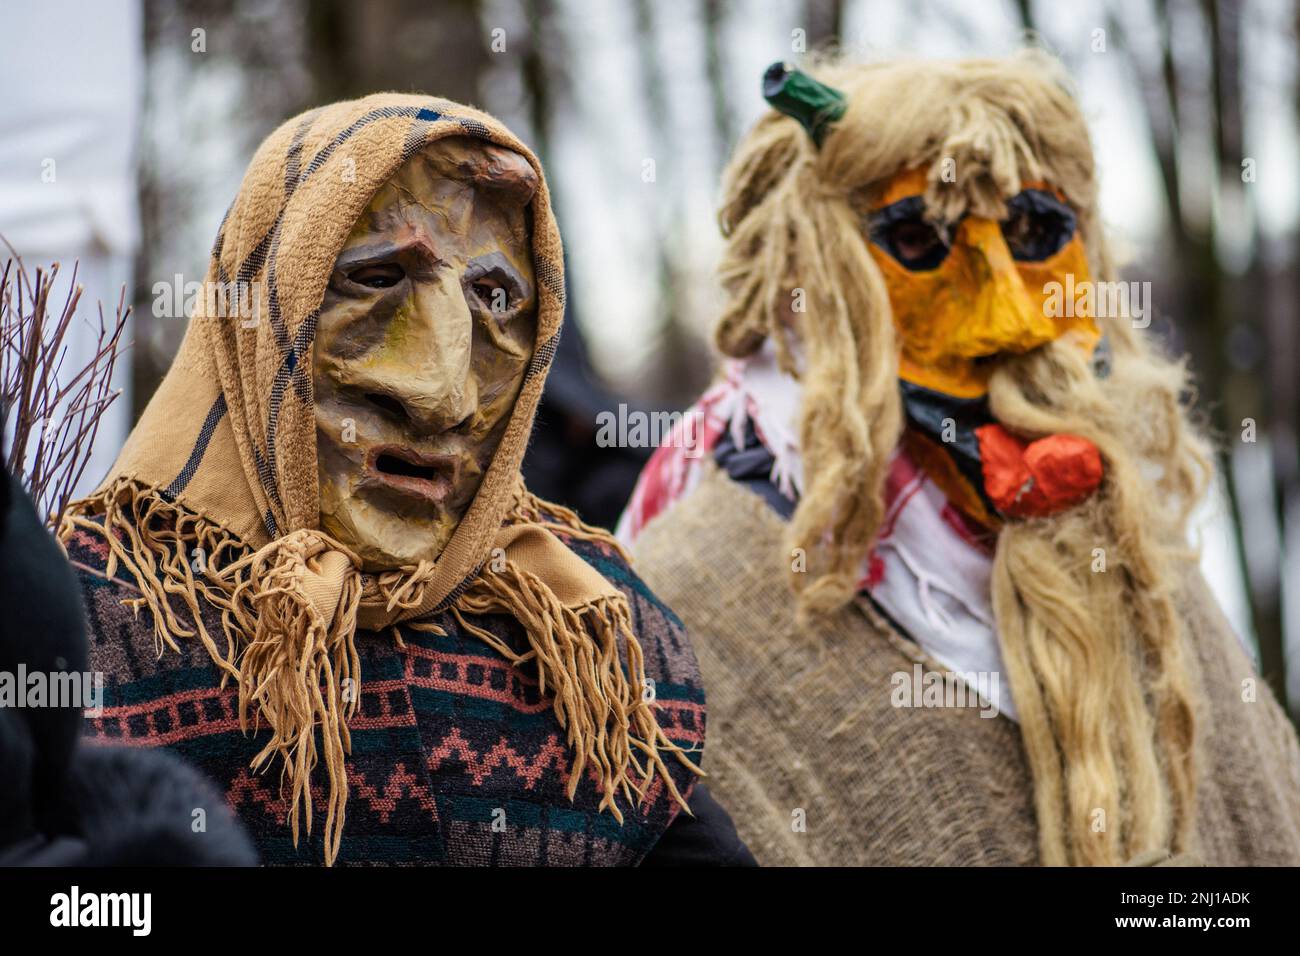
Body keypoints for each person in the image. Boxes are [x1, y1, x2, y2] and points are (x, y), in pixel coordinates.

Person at [618, 52, 1300, 866]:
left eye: (1037, 232)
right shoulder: (679, 609)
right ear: (809, 277)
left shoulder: (1129, 537)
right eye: (918, 240)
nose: (1008, 320)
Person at [62, 94, 751, 866]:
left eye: (495, 300)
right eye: (378, 277)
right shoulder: (84, 626)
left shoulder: (583, 627)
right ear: (262, 310)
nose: (444, 393)